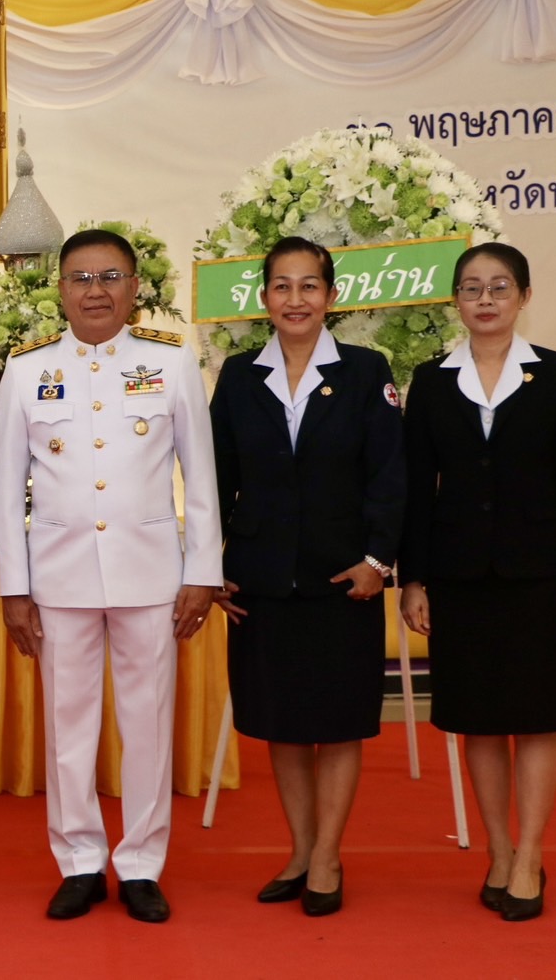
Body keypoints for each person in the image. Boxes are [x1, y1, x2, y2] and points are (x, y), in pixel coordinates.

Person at [0, 228, 220, 924]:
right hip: (57, 579)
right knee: (67, 725)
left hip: (150, 574)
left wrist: (202, 569)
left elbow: (200, 476)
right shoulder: (26, 370)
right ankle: (80, 859)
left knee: (147, 723)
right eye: (81, 277)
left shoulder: (171, 363)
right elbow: (5, 487)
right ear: (59, 289)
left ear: (134, 288)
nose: (95, 290)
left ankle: (142, 861)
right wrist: (12, 585)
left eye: (110, 277)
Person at [399, 241, 556, 923]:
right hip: (457, 580)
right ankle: (497, 847)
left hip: (539, 577)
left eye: (498, 287)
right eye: (470, 288)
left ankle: (529, 854)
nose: (484, 299)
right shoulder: (430, 381)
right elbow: (414, 492)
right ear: (454, 300)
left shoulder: (555, 376)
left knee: (538, 719)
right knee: (477, 721)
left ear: (522, 297)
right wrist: (414, 578)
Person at [208, 236, 406, 917]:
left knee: (339, 723)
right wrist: (212, 568)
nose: (295, 299)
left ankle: (327, 855)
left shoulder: (362, 370)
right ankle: (300, 849)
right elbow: (214, 479)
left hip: (342, 579)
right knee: (283, 725)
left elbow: (390, 474)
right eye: (282, 286)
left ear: (331, 296)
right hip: (261, 582)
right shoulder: (237, 375)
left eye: (309, 286)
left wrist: (378, 560)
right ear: (263, 297)